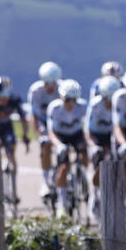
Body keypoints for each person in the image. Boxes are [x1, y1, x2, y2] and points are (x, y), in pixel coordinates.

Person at [47, 79, 88, 218]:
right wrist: (58, 145)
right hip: (61, 136)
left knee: (85, 153)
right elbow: (51, 132)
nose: (71, 104)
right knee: (63, 168)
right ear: (61, 97)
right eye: (67, 100)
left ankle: (83, 176)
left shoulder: (83, 106)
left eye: (74, 100)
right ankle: (62, 204)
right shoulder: (55, 108)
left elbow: (87, 128)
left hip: (76, 135)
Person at [84, 75, 120, 220]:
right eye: (107, 99)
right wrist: (93, 146)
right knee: (99, 165)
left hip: (112, 135)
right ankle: (96, 193)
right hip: (97, 136)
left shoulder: (119, 103)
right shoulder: (95, 104)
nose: (110, 103)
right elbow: (87, 130)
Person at [28, 61, 63, 200]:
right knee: (46, 147)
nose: (51, 88)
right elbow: (33, 116)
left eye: (53, 84)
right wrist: (39, 135)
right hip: (43, 123)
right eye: (47, 84)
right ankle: (45, 182)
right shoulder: (35, 91)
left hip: (58, 123)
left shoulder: (62, 88)